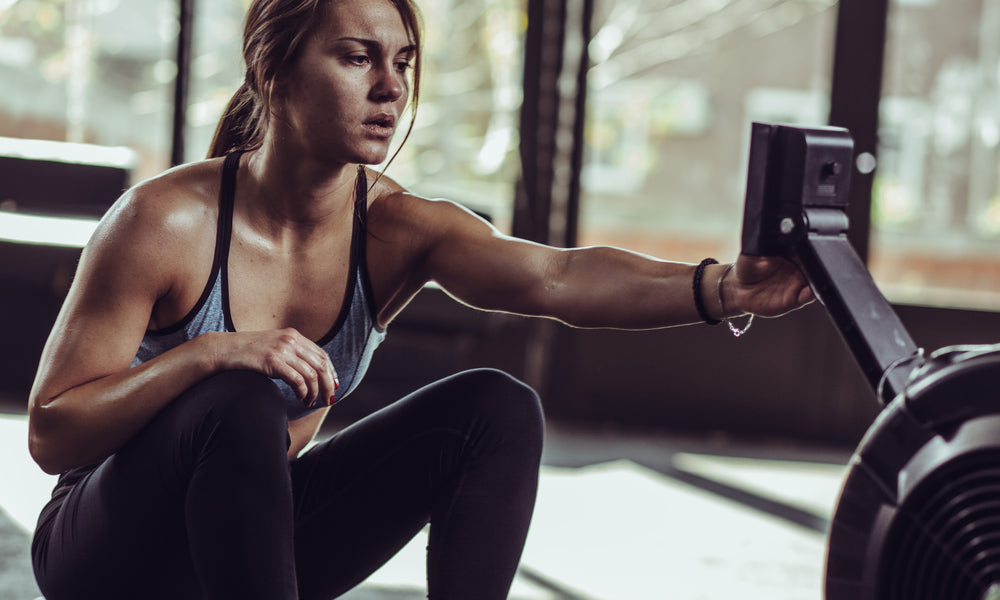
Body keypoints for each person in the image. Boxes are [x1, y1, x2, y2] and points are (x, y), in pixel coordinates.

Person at [26, 0, 814, 598]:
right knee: (236, 398)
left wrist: (724, 287)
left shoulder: (398, 229)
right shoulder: (166, 219)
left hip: (253, 550)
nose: (389, 89)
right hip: (108, 550)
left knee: (496, 410)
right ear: (275, 69)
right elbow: (53, 433)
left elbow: (559, 277)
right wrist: (212, 352)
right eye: (357, 58)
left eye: (402, 62)